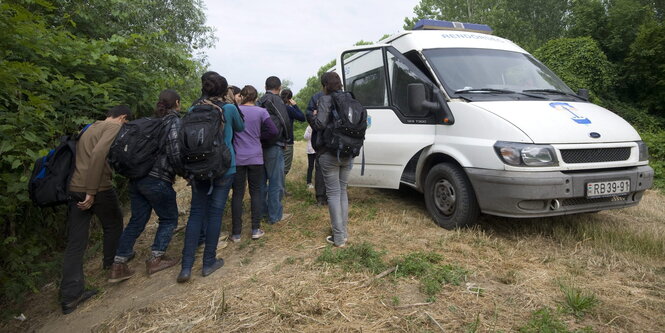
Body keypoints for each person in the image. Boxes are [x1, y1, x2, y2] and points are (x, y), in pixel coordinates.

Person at [60, 105, 131, 314]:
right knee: (114, 223)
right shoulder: (113, 127)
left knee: (76, 242)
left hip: (74, 187)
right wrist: (91, 191)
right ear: (123, 118)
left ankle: (70, 296)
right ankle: (112, 264)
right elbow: (99, 154)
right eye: (126, 122)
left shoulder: (90, 127)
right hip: (96, 187)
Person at [108, 90, 184, 283]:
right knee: (169, 218)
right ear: (177, 103)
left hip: (137, 178)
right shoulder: (172, 121)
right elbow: (175, 151)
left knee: (136, 220)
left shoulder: (150, 121)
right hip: (157, 178)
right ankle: (156, 259)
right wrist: (185, 173)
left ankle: (118, 265)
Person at [177, 72, 244, 283]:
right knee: (215, 213)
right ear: (225, 91)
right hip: (225, 167)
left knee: (196, 213)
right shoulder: (229, 108)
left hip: (198, 168)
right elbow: (240, 128)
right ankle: (208, 263)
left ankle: (186, 268)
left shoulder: (192, 109)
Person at [230, 85, 278, 242]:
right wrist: (259, 136)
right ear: (256, 97)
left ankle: (236, 233)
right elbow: (273, 131)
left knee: (237, 194)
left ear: (242, 96)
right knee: (256, 192)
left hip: (238, 158)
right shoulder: (261, 111)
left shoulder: (235, 110)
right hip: (256, 157)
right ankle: (255, 229)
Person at [313, 72, 352, 247]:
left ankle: (338, 238)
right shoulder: (350, 98)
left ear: (325, 85)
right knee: (343, 191)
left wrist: (313, 116)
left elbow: (319, 124)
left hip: (329, 153)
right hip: (348, 151)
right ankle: (343, 233)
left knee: (334, 194)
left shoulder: (325, 99)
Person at [257, 76, 292, 224]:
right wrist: (287, 139)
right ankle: (275, 215)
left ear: (265, 86)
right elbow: (284, 120)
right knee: (276, 182)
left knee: (262, 182)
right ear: (279, 87)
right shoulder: (275, 99)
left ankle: (263, 212)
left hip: (259, 145)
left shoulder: (259, 100)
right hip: (274, 144)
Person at [306, 91, 328, 206]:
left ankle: (321, 198)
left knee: (320, 169)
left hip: (321, 140)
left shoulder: (317, 97)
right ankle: (334, 197)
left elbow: (309, 116)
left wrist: (315, 116)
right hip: (339, 141)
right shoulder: (345, 96)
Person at [280, 88, 305, 179]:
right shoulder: (289, 109)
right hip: (288, 141)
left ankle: (278, 188)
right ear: (290, 99)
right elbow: (302, 118)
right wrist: (295, 105)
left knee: (277, 167)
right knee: (285, 168)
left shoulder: (276, 107)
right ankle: (280, 190)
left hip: (276, 140)